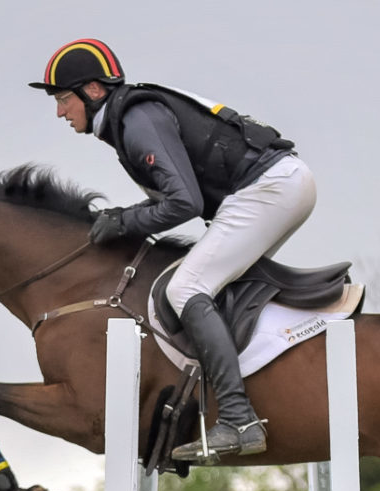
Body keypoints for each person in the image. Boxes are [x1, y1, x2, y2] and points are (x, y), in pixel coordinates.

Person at [29, 38, 316, 461]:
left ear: (92, 91)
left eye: (63, 99)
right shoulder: (131, 117)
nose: (59, 111)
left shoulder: (136, 119)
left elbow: (184, 204)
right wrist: (124, 217)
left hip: (268, 189)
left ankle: (238, 418)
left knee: (184, 288)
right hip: (276, 186)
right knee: (210, 284)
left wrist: (123, 220)